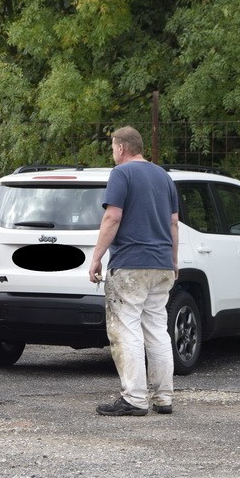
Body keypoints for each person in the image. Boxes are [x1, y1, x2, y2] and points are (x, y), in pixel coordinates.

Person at [88, 127, 179, 416]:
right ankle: (163, 397)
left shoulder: (121, 174)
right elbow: (173, 223)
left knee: (126, 330)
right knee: (157, 330)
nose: (112, 153)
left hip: (130, 265)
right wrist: (174, 262)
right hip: (162, 264)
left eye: (113, 147)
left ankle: (134, 399)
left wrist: (96, 257)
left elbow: (113, 216)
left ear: (122, 148)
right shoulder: (163, 176)